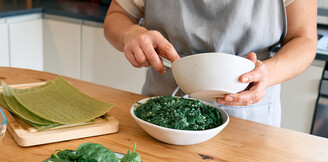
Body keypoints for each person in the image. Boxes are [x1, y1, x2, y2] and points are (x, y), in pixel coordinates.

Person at [103, 0, 317, 127]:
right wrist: (130, 34)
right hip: (163, 108)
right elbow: (117, 15)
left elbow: (304, 39)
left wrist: (268, 72)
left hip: (251, 115)